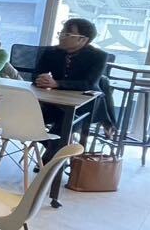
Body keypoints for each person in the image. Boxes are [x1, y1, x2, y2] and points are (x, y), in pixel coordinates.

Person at [35, 17, 114, 156]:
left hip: (85, 105)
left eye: (67, 34)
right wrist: (41, 79)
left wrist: (57, 83)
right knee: (28, 117)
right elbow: (35, 75)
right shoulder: (51, 52)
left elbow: (89, 83)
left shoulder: (98, 56)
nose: (61, 37)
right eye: (61, 32)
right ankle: (55, 151)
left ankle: (51, 157)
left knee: (65, 123)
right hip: (54, 102)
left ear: (83, 40)